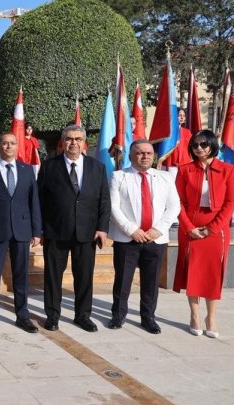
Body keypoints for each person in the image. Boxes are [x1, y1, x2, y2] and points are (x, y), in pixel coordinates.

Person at [38, 125, 111, 332]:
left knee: (84, 276)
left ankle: (83, 315)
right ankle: (52, 315)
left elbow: (104, 200)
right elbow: (39, 199)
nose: (73, 143)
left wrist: (102, 228)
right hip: (55, 230)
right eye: (69, 139)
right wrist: (40, 229)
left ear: (84, 142)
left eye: (78, 139)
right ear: (63, 141)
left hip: (86, 232)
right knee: (53, 277)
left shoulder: (96, 167)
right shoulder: (49, 166)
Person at [108, 139, 180, 334]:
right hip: (127, 239)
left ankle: (148, 317)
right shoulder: (118, 176)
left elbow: (174, 206)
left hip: (154, 239)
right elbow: (113, 207)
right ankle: (118, 315)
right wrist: (132, 230)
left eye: (148, 153)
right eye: (140, 153)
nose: (145, 156)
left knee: (151, 281)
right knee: (122, 280)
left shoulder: (165, 177)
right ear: (131, 156)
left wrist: (157, 230)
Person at [0, 133, 42, 334]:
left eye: (12, 143)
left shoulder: (27, 170)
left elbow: (34, 202)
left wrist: (37, 230)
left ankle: (22, 316)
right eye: (4, 143)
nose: (8, 146)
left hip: (22, 230)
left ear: (17, 146)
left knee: (21, 276)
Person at [173, 129, 234, 338]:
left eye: (203, 145)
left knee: (213, 274)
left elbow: (230, 202)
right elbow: (177, 202)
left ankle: (212, 318)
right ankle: (195, 315)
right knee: (193, 272)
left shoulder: (227, 170)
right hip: (191, 225)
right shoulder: (184, 170)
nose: (199, 148)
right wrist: (189, 227)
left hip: (216, 228)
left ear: (212, 145)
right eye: (195, 145)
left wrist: (213, 228)